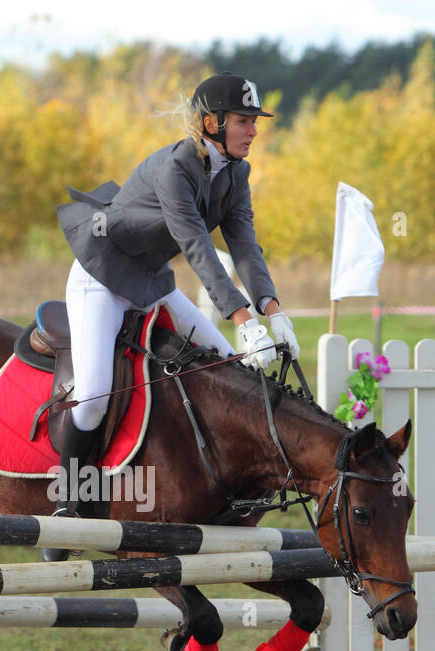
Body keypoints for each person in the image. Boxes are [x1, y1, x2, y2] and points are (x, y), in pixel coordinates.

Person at [52, 71, 299, 547]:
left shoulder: (236, 173)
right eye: (243, 120)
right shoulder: (175, 167)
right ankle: (68, 502)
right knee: (95, 395)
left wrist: (273, 308)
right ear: (211, 123)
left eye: (255, 121)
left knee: (229, 366)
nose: (253, 130)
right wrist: (243, 318)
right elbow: (195, 246)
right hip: (101, 276)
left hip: (149, 281)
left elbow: (244, 243)